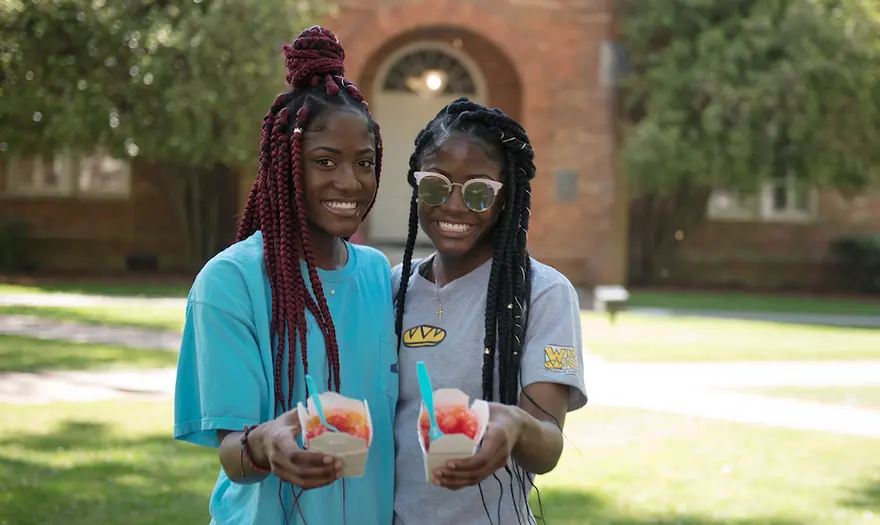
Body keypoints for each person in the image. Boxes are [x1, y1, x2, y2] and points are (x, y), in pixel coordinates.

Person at [173, 26, 398, 525]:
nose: (350, 181)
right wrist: (265, 444)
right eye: (325, 161)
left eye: (365, 162)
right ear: (286, 166)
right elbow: (232, 451)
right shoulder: (230, 282)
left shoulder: (379, 275)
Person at [391, 98, 588, 525]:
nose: (455, 206)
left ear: (506, 198)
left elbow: (548, 446)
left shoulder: (541, 293)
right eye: (435, 186)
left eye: (479, 191)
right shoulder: (392, 288)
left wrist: (516, 425)